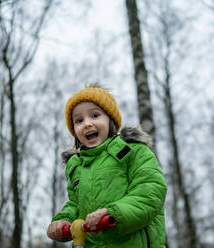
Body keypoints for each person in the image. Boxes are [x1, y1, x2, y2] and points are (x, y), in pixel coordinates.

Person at [46, 83, 167, 247]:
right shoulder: (77, 167)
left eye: (95, 116)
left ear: (110, 119)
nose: (87, 124)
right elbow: (75, 204)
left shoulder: (132, 151)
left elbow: (150, 191)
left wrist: (112, 213)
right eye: (79, 120)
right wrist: (63, 220)